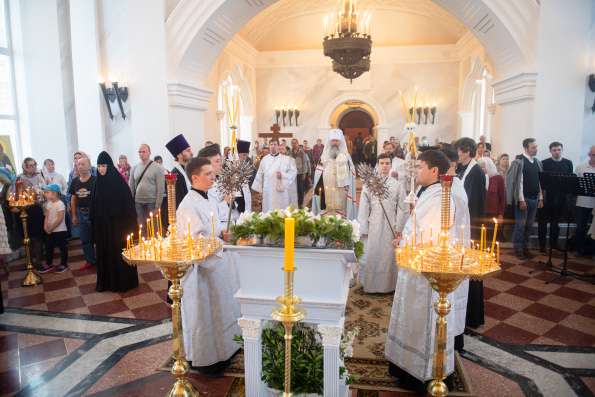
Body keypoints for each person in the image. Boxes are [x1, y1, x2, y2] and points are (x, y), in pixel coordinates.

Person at [385, 150, 466, 392]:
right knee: (411, 318)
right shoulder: (429, 192)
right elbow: (417, 226)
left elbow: (428, 238)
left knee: (424, 322)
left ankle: (424, 373)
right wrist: (405, 237)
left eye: (420, 167)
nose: (416, 170)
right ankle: (405, 367)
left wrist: (403, 242)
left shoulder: (440, 197)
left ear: (434, 171)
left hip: (427, 275)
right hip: (415, 269)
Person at [177, 157, 240, 375]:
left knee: (220, 309)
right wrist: (221, 242)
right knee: (204, 316)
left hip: (216, 263)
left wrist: (223, 231)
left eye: (213, 173)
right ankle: (207, 359)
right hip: (200, 270)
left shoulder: (208, 198)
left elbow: (215, 225)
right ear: (195, 177)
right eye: (208, 174)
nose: (213, 177)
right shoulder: (187, 206)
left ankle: (225, 351)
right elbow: (195, 241)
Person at [357, 153, 407, 293]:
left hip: (391, 223)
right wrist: (363, 227)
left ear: (391, 165)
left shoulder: (397, 185)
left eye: (387, 163)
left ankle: (388, 286)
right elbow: (364, 207)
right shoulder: (369, 184)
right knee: (373, 252)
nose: (384, 166)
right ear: (377, 165)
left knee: (388, 255)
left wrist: (399, 227)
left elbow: (402, 208)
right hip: (374, 223)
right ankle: (371, 285)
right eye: (382, 163)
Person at [92, 151, 138, 292]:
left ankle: (123, 283)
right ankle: (106, 283)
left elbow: (129, 208)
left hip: (119, 229)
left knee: (120, 255)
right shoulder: (96, 184)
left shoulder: (119, 184)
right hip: (103, 229)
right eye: (99, 166)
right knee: (105, 254)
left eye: (103, 165)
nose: (101, 169)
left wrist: (131, 229)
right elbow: (93, 208)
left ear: (110, 166)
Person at [454, 138, 485, 328]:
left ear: (467, 152)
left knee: (471, 272)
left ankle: (472, 315)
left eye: (460, 151)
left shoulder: (476, 172)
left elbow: (472, 203)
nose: (458, 154)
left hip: (471, 226)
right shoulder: (463, 169)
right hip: (463, 225)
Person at [441, 146, 470, 351]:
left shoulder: (455, 187)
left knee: (450, 295)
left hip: (451, 247)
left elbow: (449, 220)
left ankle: (450, 337)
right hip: (445, 246)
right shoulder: (446, 184)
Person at [506, 138, 543, 260]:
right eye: (533, 147)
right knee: (520, 226)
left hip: (534, 198)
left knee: (529, 226)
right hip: (523, 199)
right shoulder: (519, 162)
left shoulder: (537, 162)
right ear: (526, 148)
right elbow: (518, 183)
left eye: (536, 147)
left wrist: (541, 198)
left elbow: (540, 182)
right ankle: (518, 249)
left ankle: (526, 248)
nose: (536, 149)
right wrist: (521, 200)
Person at [311, 129, 357, 219]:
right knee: (326, 213)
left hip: (341, 190)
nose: (335, 143)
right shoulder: (324, 156)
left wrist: (348, 180)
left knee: (341, 213)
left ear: (340, 142)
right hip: (326, 188)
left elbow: (352, 172)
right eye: (333, 140)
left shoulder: (346, 156)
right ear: (330, 141)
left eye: (337, 140)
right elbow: (318, 172)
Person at [538, 142, 574, 252]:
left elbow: (570, 181)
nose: (557, 152)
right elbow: (540, 182)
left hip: (561, 198)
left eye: (559, 149)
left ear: (562, 150)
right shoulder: (544, 163)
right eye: (554, 150)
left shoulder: (568, 163)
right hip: (546, 197)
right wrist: (541, 198)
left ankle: (554, 244)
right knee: (542, 223)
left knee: (555, 222)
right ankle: (542, 246)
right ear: (550, 151)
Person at [251, 140, 297, 212]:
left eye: (275, 144)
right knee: (269, 209)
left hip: (281, 190)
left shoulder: (286, 159)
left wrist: (283, 175)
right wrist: (259, 190)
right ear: (269, 146)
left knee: (281, 211)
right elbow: (259, 173)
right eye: (271, 144)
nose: (273, 146)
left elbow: (293, 172)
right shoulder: (264, 159)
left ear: (278, 146)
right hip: (268, 190)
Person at [17, 158, 45, 270]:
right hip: (24, 210)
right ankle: (29, 261)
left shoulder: (39, 177)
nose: (33, 167)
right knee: (26, 237)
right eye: (30, 165)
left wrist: (38, 193)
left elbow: (44, 191)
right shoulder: (19, 178)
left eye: (34, 165)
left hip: (36, 209)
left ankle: (38, 261)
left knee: (37, 237)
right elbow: (16, 194)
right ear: (24, 167)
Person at [68, 157, 96, 271]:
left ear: (89, 166)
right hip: (81, 212)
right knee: (85, 239)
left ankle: (103, 260)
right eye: (78, 164)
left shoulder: (95, 180)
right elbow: (73, 199)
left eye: (83, 164)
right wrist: (74, 215)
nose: (80, 166)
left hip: (94, 213)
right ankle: (90, 261)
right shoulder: (75, 181)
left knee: (99, 238)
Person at [129, 144, 165, 225]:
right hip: (138, 203)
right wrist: (130, 204)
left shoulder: (157, 168)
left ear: (149, 153)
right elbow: (131, 187)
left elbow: (161, 188)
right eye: (139, 152)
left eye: (144, 152)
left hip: (152, 203)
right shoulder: (134, 168)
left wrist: (157, 206)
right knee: (141, 228)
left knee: (154, 228)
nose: (141, 154)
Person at [198, 143, 231, 229]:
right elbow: (212, 216)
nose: (221, 164)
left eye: (220, 160)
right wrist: (226, 202)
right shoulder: (203, 188)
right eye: (217, 161)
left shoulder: (216, 182)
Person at [42, 184, 68, 273]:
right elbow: (46, 216)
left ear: (54, 193)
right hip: (50, 230)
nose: (45, 194)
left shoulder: (60, 204)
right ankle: (49, 264)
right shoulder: (49, 203)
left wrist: (51, 228)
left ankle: (64, 264)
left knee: (62, 248)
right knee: (48, 247)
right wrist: (45, 227)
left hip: (60, 230)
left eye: (47, 192)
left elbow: (60, 218)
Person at [574, 145, 595, 256]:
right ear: (589, 155)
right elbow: (575, 184)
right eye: (593, 155)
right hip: (582, 202)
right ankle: (579, 250)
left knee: (594, 231)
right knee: (581, 227)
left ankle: (591, 250)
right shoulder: (580, 167)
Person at [479, 157, 506, 240]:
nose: (483, 169)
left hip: (493, 212)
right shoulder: (479, 177)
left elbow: (503, 197)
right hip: (481, 212)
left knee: (492, 237)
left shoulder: (498, 178)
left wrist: (501, 214)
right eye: (481, 167)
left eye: (484, 166)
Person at [232, 140, 253, 218]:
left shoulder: (245, 165)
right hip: (238, 201)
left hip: (245, 198)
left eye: (246, 155)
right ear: (238, 155)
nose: (245, 157)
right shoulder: (231, 167)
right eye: (244, 155)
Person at [290, 138, 310, 208]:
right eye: (292, 143)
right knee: (293, 188)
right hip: (292, 173)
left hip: (300, 173)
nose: (293, 144)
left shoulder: (302, 152)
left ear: (298, 143)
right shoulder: (289, 152)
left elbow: (305, 163)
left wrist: (304, 173)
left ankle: (300, 203)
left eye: (295, 143)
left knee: (300, 189)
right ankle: (293, 202)